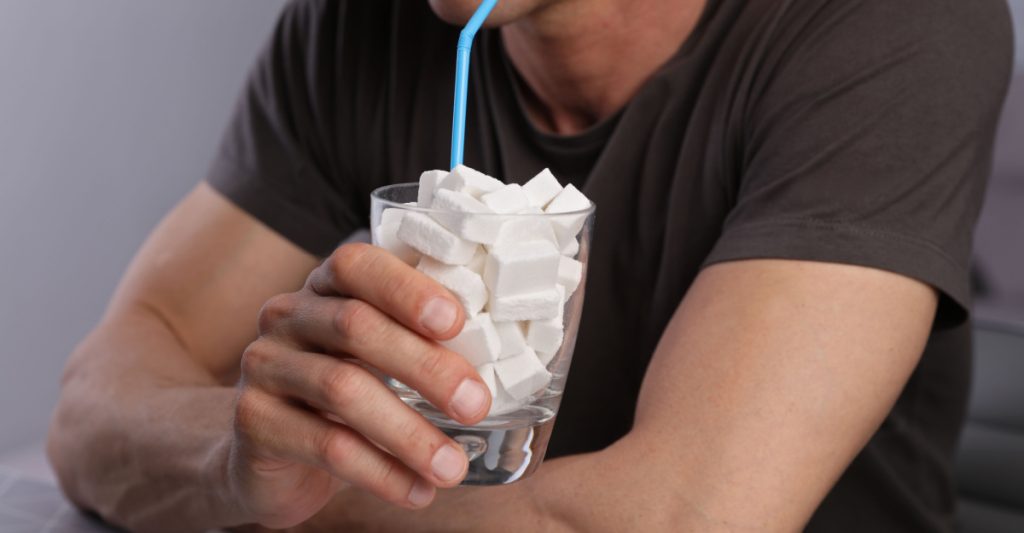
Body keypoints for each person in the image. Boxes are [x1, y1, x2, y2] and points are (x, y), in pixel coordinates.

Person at [46, 0, 1012, 531]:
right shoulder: (356, 27)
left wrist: (312, 496)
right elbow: (95, 398)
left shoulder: (897, 25)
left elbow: (680, 523)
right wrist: (233, 461)